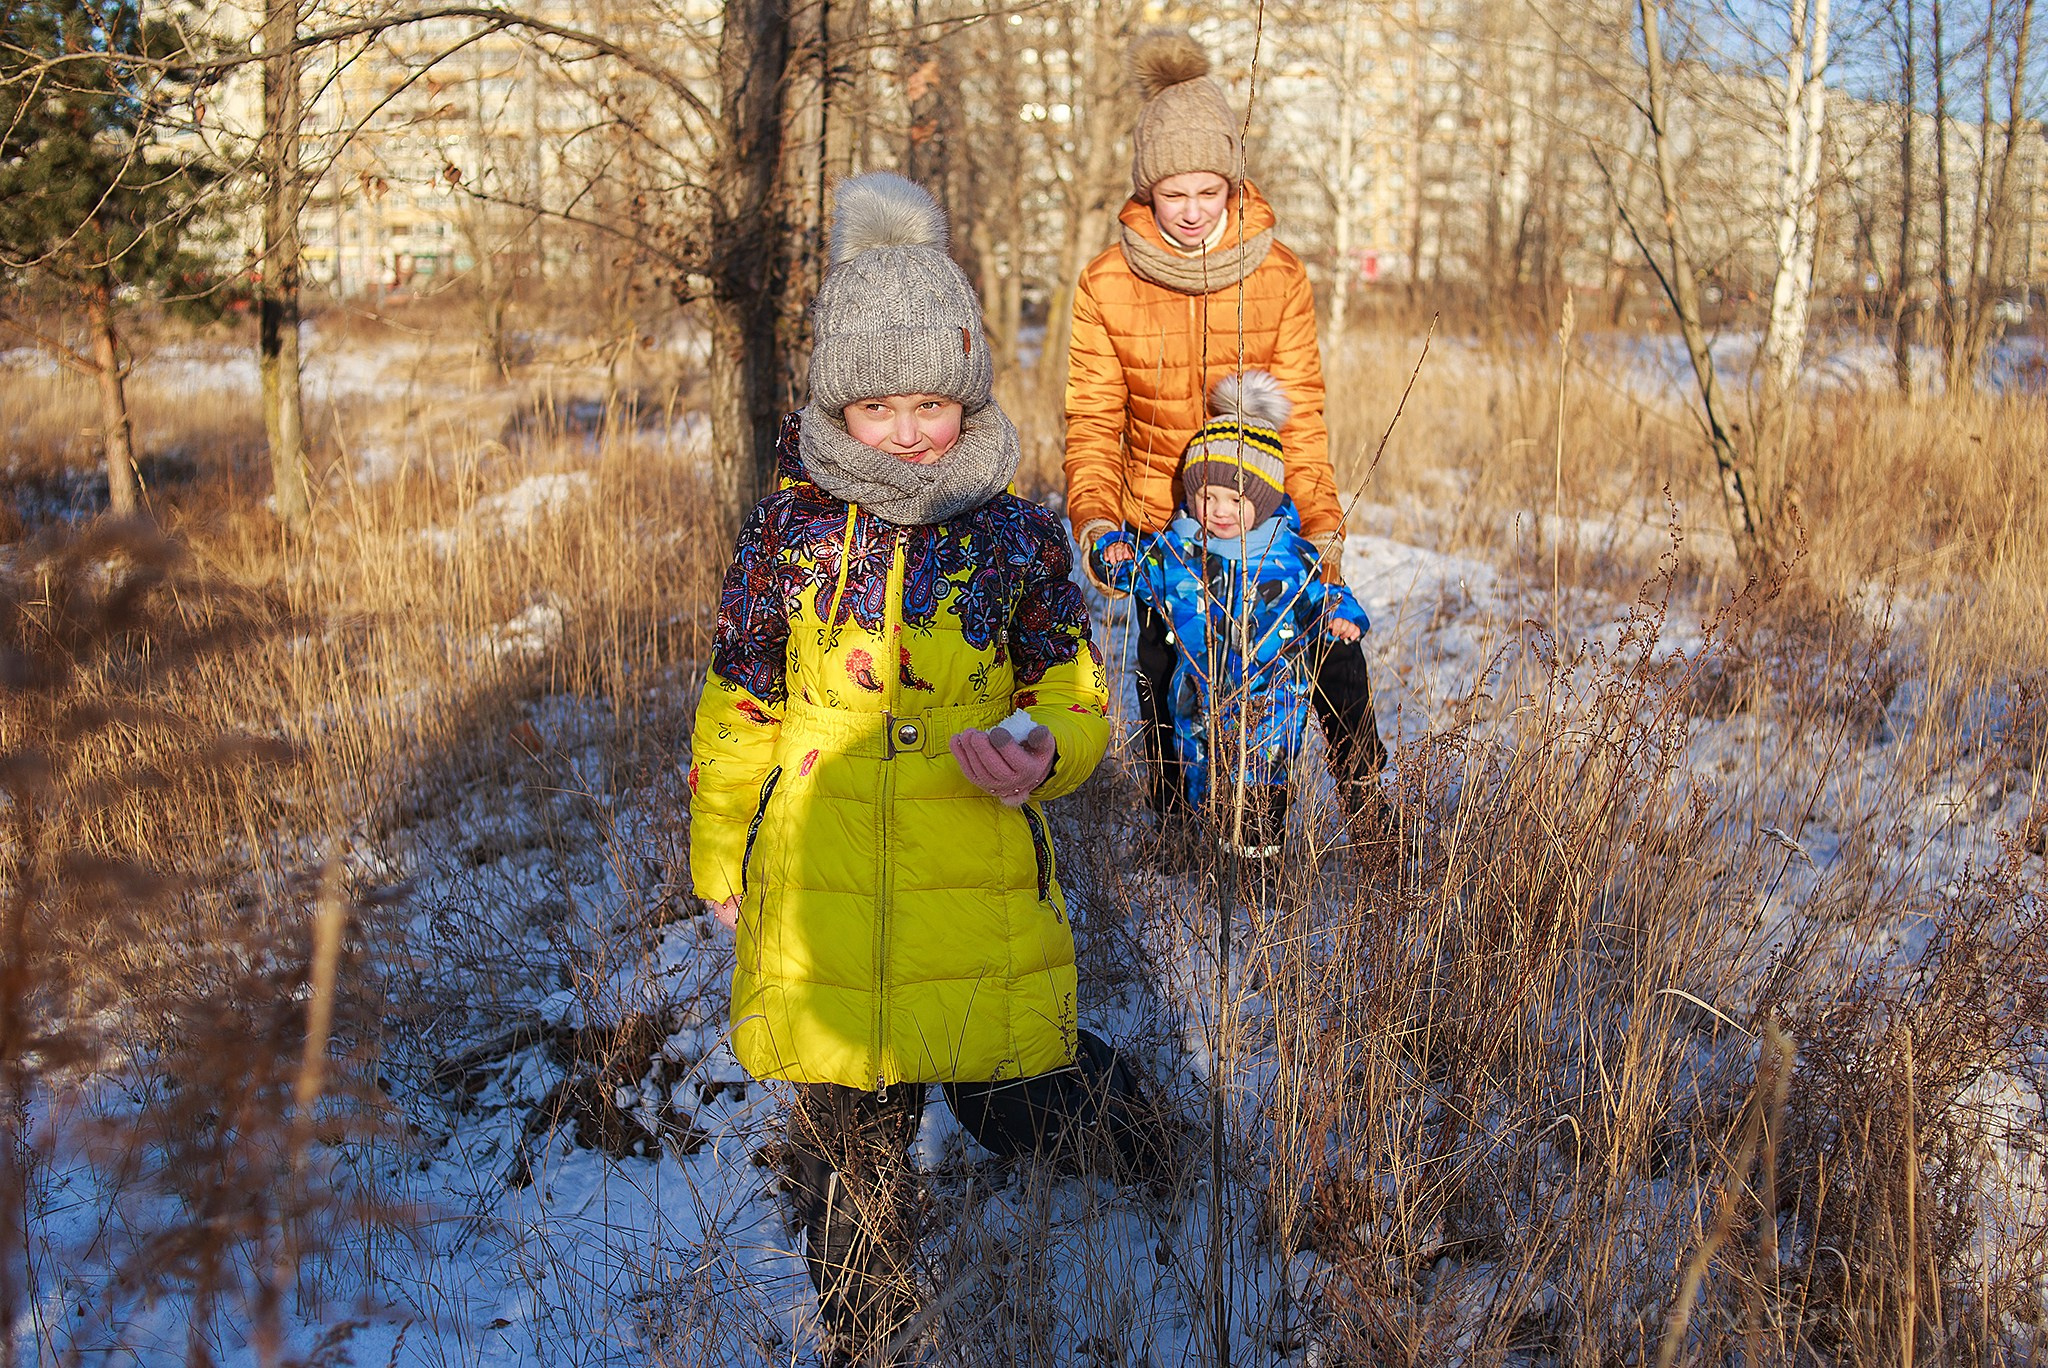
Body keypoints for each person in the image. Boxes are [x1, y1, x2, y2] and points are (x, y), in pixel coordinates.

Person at [687, 172, 1158, 1366]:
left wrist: (1046, 750)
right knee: (852, 1134)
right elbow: (739, 695)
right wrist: (719, 846)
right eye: (877, 404)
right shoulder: (788, 529)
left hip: (973, 877)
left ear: (968, 394)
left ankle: (1152, 1149)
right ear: (835, 405)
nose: (907, 428)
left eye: (933, 402)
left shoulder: (1013, 532)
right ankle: (865, 1330)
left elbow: (1068, 687)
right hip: (824, 892)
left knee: (1014, 1089)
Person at [1063, 31, 1388, 832]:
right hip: (1158, 527)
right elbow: (1094, 418)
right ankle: (1183, 842)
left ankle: (1372, 817)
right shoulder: (1108, 281)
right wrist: (1098, 521)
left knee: (1330, 663)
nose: (1192, 210)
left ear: (1232, 183)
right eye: (1174, 193)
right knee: (1169, 689)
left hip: (1269, 524)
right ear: (1147, 189)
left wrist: (1321, 535)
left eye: (1208, 190)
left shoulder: (1277, 276)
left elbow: (1302, 414)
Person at [1092, 371, 1370, 881]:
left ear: (1261, 501)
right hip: (1197, 705)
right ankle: (1195, 861)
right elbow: (1134, 572)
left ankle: (1256, 890)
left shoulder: (1288, 558)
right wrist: (1112, 548)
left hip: (1269, 713)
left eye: (1235, 501)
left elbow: (1327, 593)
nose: (1217, 512)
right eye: (1206, 497)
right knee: (1202, 784)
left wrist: (1340, 617)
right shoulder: (1176, 550)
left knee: (1258, 808)